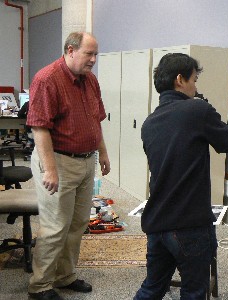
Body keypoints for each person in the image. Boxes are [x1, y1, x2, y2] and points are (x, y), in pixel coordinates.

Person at [134, 53, 228, 299]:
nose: (195, 87)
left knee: (152, 287)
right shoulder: (197, 109)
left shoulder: (149, 123)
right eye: (194, 80)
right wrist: (207, 108)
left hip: (157, 223)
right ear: (180, 80)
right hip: (189, 225)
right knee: (194, 291)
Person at [26, 32, 110, 300]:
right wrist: (49, 170)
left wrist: (103, 153)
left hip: (87, 161)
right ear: (71, 50)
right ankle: (40, 285)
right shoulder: (47, 79)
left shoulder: (90, 80)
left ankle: (64, 275)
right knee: (55, 226)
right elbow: (39, 127)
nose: (94, 60)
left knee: (77, 223)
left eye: (96, 54)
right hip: (58, 161)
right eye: (89, 54)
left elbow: (96, 120)